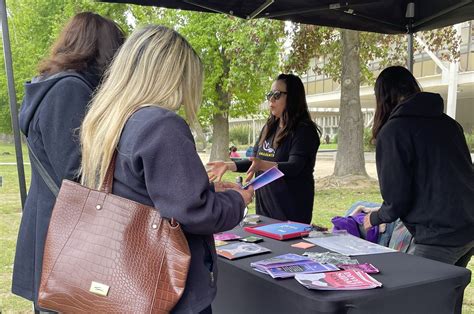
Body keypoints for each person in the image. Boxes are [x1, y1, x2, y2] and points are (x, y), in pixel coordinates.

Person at [79, 25, 254, 313]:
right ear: (173, 75)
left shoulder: (109, 121)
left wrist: (207, 189)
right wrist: (239, 201)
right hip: (167, 289)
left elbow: (146, 194)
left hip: (124, 277)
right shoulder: (161, 125)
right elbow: (195, 213)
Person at [12, 12, 125, 311]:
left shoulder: (52, 85)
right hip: (66, 234)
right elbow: (77, 172)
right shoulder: (70, 89)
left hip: (55, 227)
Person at [363, 66, 473, 267]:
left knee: (414, 296)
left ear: (382, 96)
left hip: (439, 235)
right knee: (448, 294)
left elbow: (396, 199)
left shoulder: (394, 131)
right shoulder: (449, 124)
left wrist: (375, 217)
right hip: (467, 226)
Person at [207, 74, 321, 224]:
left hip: (292, 212)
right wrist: (228, 165)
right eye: (269, 95)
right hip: (265, 210)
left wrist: (263, 165)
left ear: (292, 97)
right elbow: (255, 162)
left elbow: (295, 167)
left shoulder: (304, 130)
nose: (271, 100)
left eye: (277, 95)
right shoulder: (269, 128)